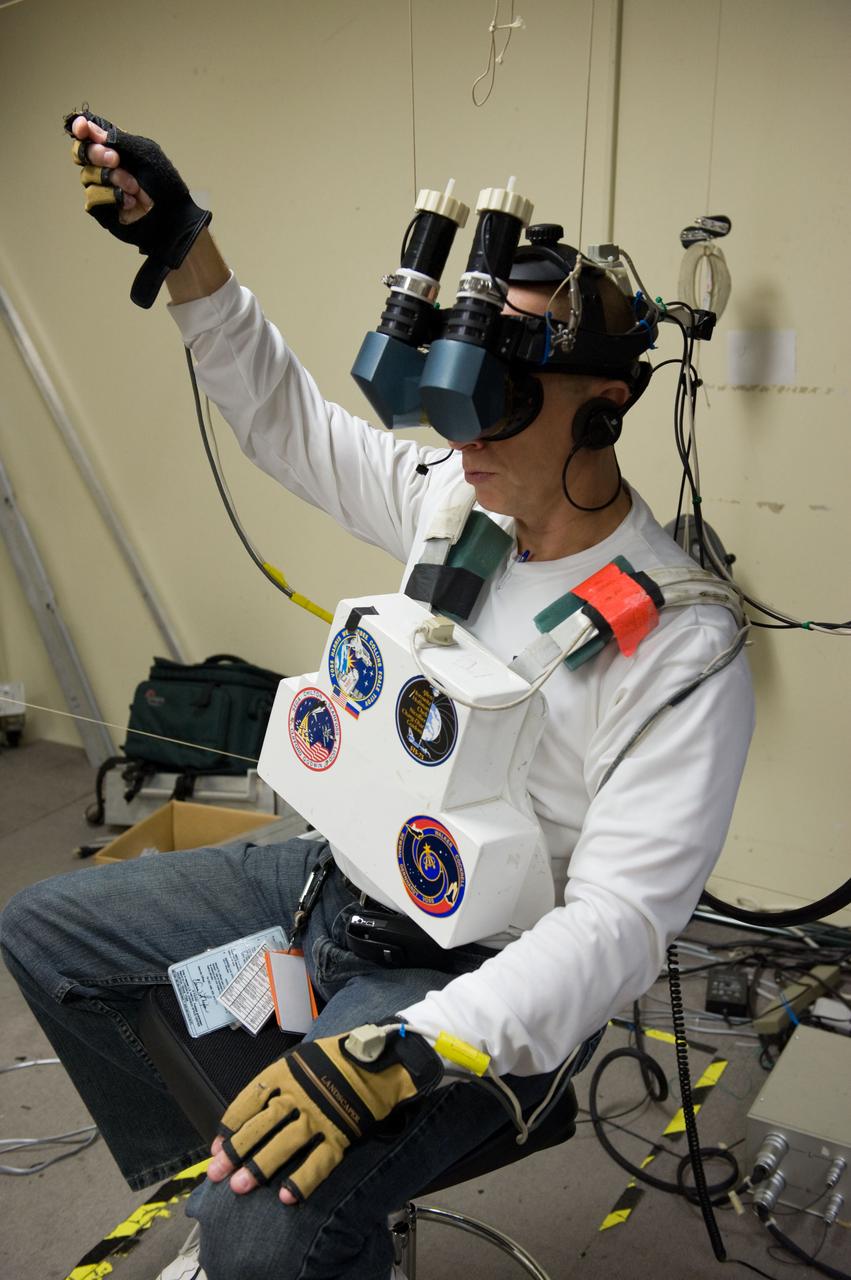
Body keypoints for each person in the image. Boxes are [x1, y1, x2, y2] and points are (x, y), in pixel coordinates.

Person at [0, 111, 755, 1280]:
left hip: (468, 975)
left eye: (493, 401)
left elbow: (614, 927)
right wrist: (186, 242)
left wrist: (399, 1046)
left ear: (601, 405)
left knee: (265, 1234)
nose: (454, 434)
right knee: (47, 929)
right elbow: (289, 422)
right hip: (329, 882)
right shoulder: (453, 498)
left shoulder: (681, 640)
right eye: (446, 395)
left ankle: (265, 1218)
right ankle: (226, 1163)